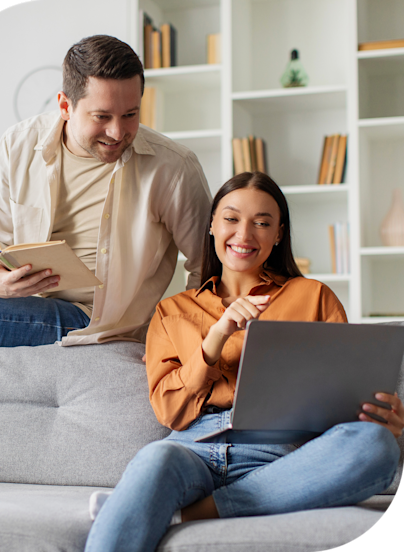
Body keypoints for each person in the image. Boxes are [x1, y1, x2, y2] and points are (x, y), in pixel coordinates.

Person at [84, 171, 403, 552]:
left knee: (376, 445)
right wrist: (218, 334)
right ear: (212, 226)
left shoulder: (313, 296)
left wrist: (381, 417)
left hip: (282, 454)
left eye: (262, 223)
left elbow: (342, 396)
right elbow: (170, 411)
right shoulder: (172, 310)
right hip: (193, 446)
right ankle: (167, 503)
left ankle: (189, 512)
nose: (245, 234)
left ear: (279, 234)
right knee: (155, 460)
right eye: (232, 219)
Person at [0, 35, 212, 348]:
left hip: (97, 324)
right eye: (102, 116)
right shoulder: (17, 144)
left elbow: (207, 265)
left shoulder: (174, 167)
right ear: (65, 106)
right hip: (27, 306)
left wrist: (185, 337)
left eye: (130, 114)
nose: (117, 132)